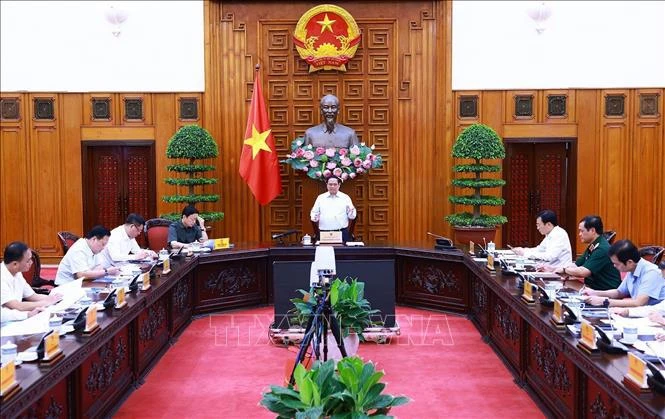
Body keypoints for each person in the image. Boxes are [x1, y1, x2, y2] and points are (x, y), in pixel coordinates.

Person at [582, 239, 665, 307]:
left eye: (616, 263)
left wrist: (605, 301)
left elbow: (639, 303)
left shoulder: (651, 272)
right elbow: (619, 292)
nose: (614, 266)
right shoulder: (632, 268)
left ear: (629, 262)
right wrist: (595, 293)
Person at [554, 215, 620, 290]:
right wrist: (554, 269)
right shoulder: (593, 245)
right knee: (561, 283)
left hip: (605, 291)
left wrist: (564, 270)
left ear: (592, 231)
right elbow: (576, 265)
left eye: (582, 231)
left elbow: (583, 272)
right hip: (592, 286)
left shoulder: (601, 248)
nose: (579, 234)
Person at [1, 242, 62, 321]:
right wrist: (45, 303)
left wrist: (55, 299)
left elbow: (32, 296)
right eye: (28, 260)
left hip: (16, 318)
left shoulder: (17, 273)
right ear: (15, 264)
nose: (31, 262)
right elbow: (16, 305)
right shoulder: (2, 277)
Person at [55, 225, 120, 285]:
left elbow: (99, 267)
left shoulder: (94, 248)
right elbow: (81, 275)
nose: (103, 248)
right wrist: (106, 272)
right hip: (66, 286)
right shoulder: (79, 249)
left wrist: (101, 272)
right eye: (103, 244)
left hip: (83, 283)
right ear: (94, 239)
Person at [310, 176, 356, 243]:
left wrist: (351, 212)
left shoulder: (345, 197)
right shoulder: (320, 198)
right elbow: (314, 213)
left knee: (341, 253)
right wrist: (315, 217)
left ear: (339, 185)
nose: (332, 186)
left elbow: (352, 216)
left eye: (335, 184)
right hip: (324, 233)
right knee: (325, 253)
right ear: (327, 185)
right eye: (330, 184)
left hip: (341, 233)